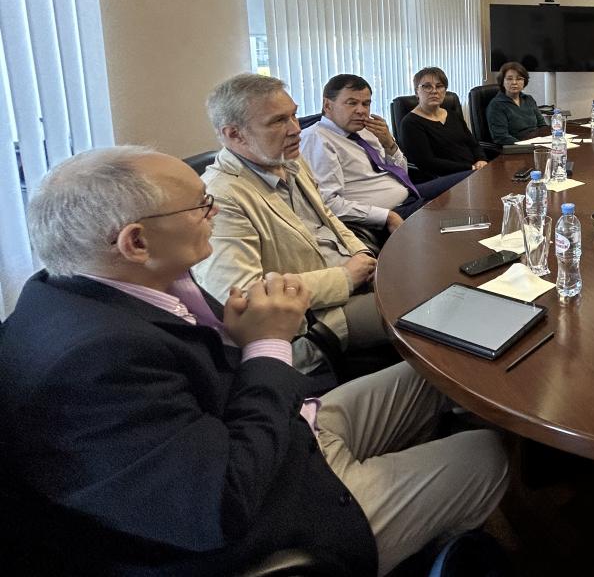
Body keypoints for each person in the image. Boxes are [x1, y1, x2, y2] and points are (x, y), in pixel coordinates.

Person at [0, 147, 508, 576]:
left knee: (431, 371)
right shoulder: (93, 363)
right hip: (277, 504)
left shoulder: (83, 289)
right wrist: (266, 346)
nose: (215, 211)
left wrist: (250, 345)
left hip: (283, 433)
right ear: (136, 241)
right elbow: (221, 504)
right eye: (201, 205)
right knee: (485, 452)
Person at [195, 73, 388, 372]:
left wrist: (361, 252)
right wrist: (345, 278)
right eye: (278, 121)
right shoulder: (219, 197)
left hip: (355, 277)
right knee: (418, 308)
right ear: (234, 134)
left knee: (431, 281)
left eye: (294, 115)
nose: (296, 129)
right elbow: (245, 297)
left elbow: (328, 217)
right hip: (317, 320)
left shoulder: (288, 161)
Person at [299, 74, 426, 246]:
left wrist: (389, 144)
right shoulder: (317, 140)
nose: (361, 110)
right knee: (449, 216)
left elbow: (402, 173)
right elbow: (327, 203)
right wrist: (387, 216)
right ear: (327, 105)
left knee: (456, 196)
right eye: (352, 103)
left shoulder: (366, 131)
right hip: (387, 215)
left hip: (408, 196)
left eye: (366, 104)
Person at [394, 67, 487, 196]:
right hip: (445, 180)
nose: (434, 91)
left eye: (439, 86)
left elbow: (473, 144)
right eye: (427, 86)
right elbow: (428, 162)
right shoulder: (410, 123)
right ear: (417, 92)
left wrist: (481, 159)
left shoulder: (453, 115)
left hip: (474, 172)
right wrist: (470, 168)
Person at [485, 61, 547, 144]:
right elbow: (501, 137)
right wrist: (525, 146)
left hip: (537, 143)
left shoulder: (529, 99)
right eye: (509, 79)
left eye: (519, 79)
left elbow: (542, 126)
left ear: (524, 82)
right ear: (502, 81)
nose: (514, 82)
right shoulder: (496, 105)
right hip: (517, 147)